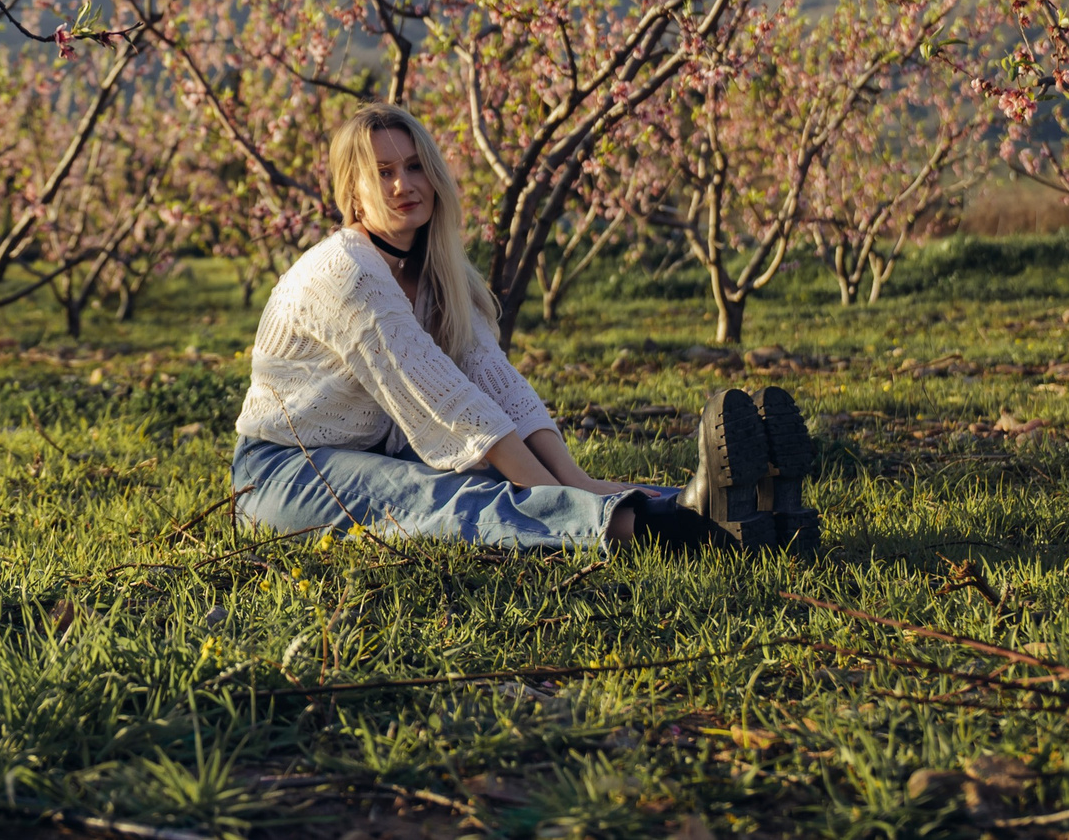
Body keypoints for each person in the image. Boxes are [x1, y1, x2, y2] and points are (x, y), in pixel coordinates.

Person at [231, 103, 820, 554]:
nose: (402, 186)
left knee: (507, 477)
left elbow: (493, 378)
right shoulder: (347, 270)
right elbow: (439, 395)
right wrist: (550, 492)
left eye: (414, 166)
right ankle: (668, 528)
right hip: (281, 472)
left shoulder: (438, 273)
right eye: (381, 172)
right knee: (444, 496)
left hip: (373, 452)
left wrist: (577, 479)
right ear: (352, 191)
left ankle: (746, 508)